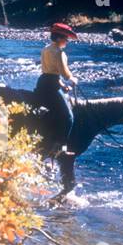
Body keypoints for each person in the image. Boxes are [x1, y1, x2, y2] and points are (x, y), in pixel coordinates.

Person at [36, 22, 79, 158]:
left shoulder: (46, 49)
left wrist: (62, 85)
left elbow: (50, 72)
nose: (67, 41)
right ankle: (60, 148)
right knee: (69, 118)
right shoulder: (60, 53)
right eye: (66, 38)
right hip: (51, 87)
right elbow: (65, 73)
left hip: (43, 83)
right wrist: (73, 80)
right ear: (60, 38)